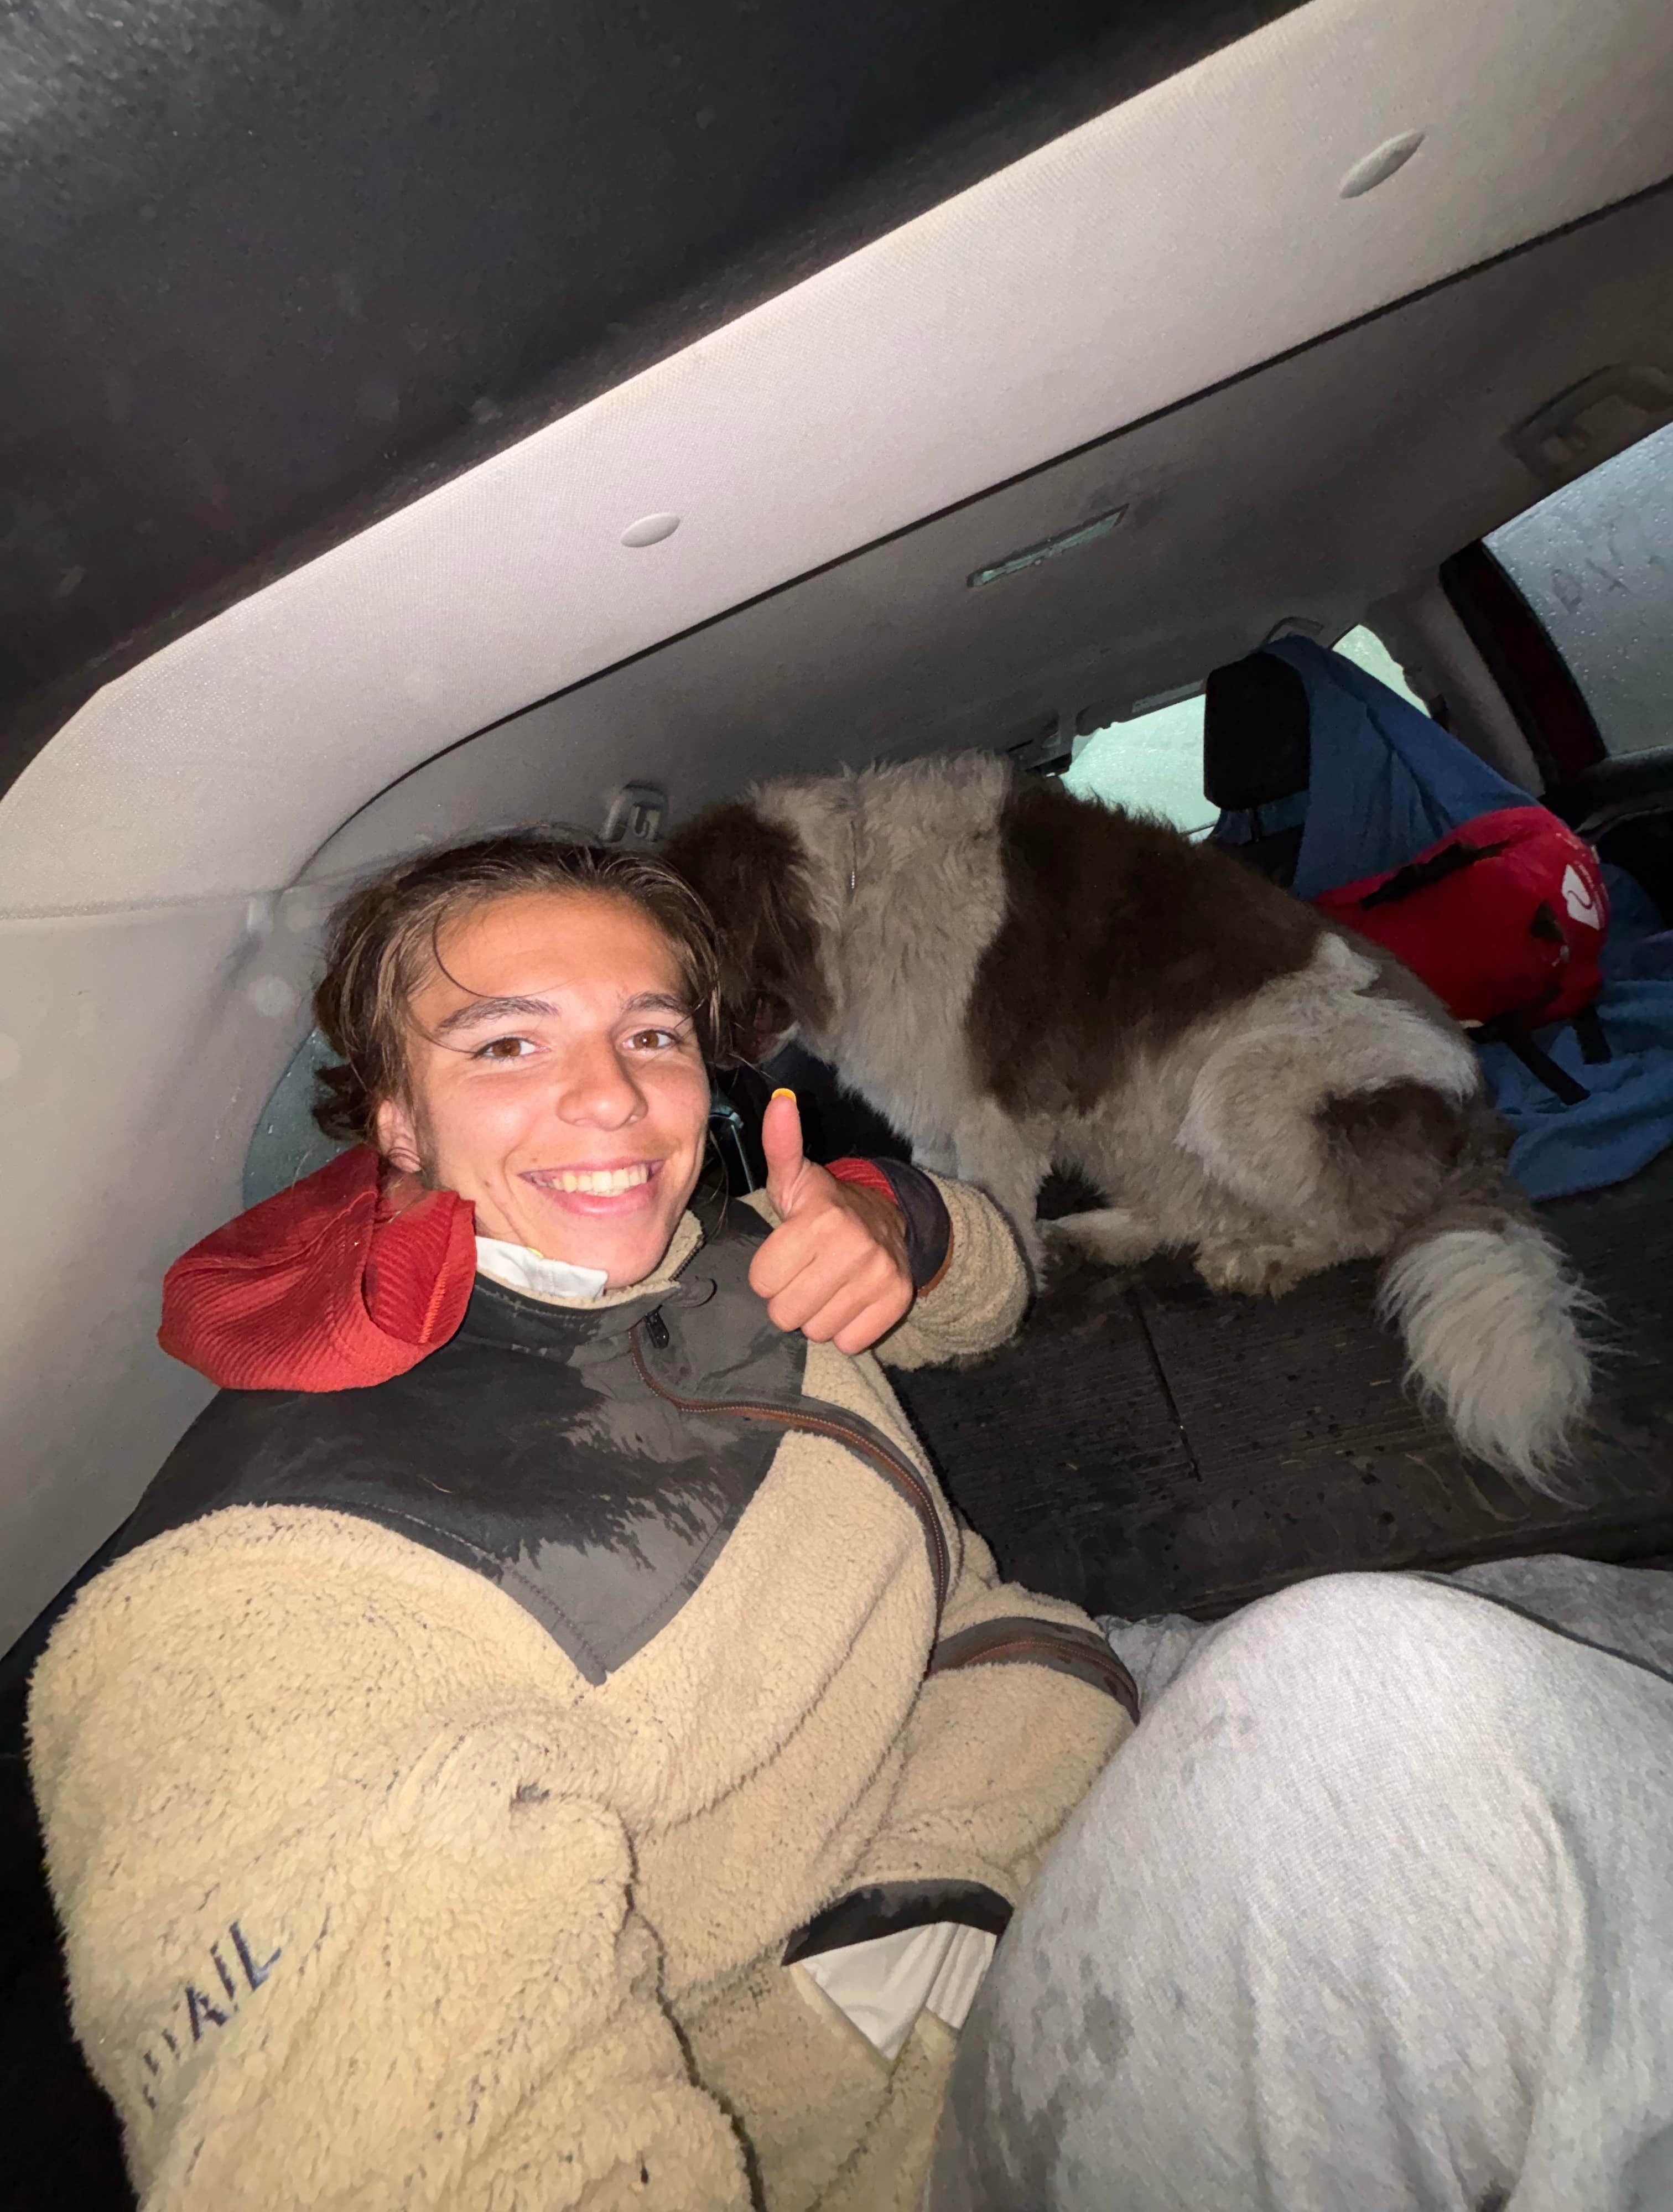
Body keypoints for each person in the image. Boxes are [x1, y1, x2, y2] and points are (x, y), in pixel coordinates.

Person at [28, 832, 1673, 2212]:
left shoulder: (675, 1242)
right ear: (389, 1113)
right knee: (1416, 1713)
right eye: (510, 1044)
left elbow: (983, 1279)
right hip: (937, 2082)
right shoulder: (260, 1596)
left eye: (653, 1035)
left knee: (1582, 1641)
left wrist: (904, 1233)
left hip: (1071, 1709)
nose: (613, 1101)